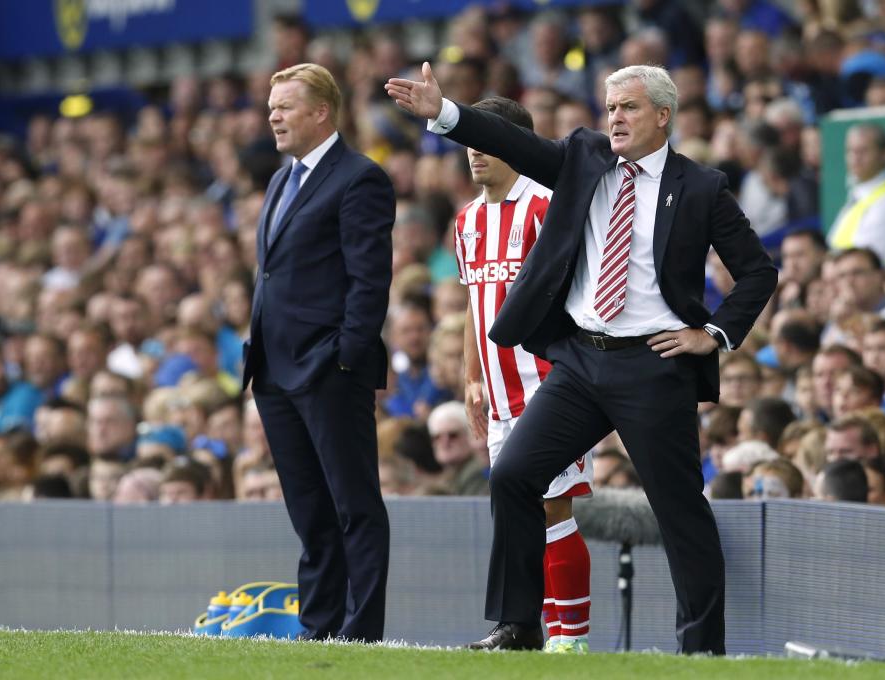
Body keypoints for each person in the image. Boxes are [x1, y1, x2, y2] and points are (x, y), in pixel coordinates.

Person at [387, 62, 777, 654]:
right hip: (580, 361)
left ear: (663, 116)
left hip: (654, 364)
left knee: (679, 510)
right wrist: (446, 114)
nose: (615, 118)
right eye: (611, 107)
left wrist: (714, 334)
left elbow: (757, 272)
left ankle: (702, 649)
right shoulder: (584, 158)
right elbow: (512, 141)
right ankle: (518, 627)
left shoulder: (700, 186)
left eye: (630, 108)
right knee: (514, 475)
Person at [243, 63, 395, 643]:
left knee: (353, 504)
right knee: (309, 511)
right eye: (271, 105)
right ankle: (320, 624)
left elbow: (369, 280)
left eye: (285, 106)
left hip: (328, 369)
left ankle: (361, 631)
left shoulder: (360, 178)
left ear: (322, 112)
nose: (273, 116)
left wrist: (346, 358)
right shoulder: (282, 180)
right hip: (275, 372)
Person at [455, 96, 592, 653]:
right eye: (470, 141)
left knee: (552, 505)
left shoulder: (546, 207)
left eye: (488, 140)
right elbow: (472, 303)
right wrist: (471, 375)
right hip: (500, 393)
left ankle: (570, 639)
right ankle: (522, 629)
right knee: (518, 511)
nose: (475, 152)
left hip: (551, 385)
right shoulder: (467, 220)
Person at [827, 124, 885, 264]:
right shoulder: (857, 197)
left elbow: (863, 259)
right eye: (850, 151)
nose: (855, 158)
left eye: (863, 151)